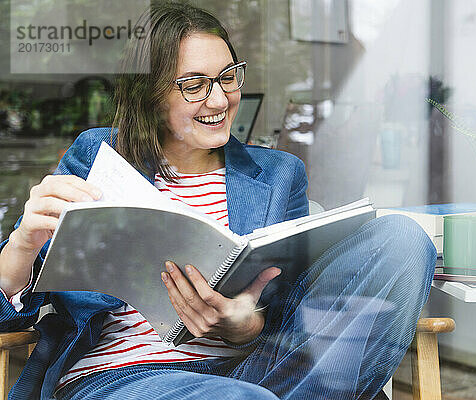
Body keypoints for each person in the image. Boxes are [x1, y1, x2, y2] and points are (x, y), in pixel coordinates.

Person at [0, 3, 436, 400]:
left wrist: (245, 324)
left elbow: (290, 317)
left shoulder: (279, 175)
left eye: (228, 77)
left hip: (255, 372)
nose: (219, 99)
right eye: (194, 84)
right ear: (151, 94)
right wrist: (22, 244)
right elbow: (7, 316)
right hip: (124, 378)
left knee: (402, 238)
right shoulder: (98, 157)